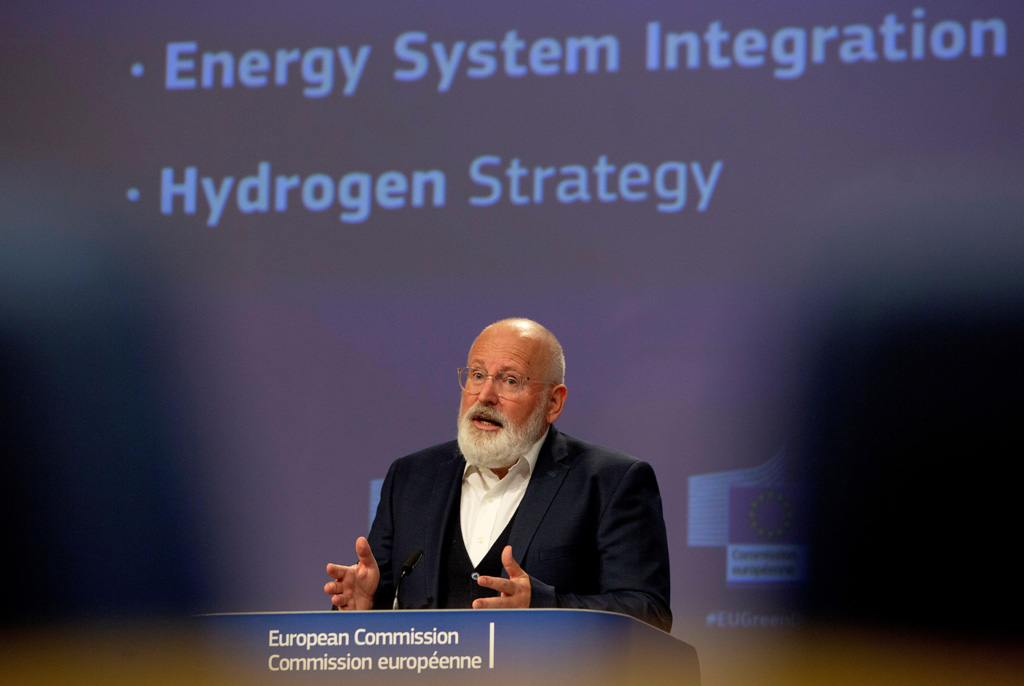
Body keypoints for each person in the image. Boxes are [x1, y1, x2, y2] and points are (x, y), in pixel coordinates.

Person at [324, 318, 672, 631]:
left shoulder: (611, 482)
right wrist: (365, 606)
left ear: (553, 403)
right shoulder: (411, 477)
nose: (485, 396)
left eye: (510, 380)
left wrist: (545, 605)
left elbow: (648, 612)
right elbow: (388, 607)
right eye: (476, 375)